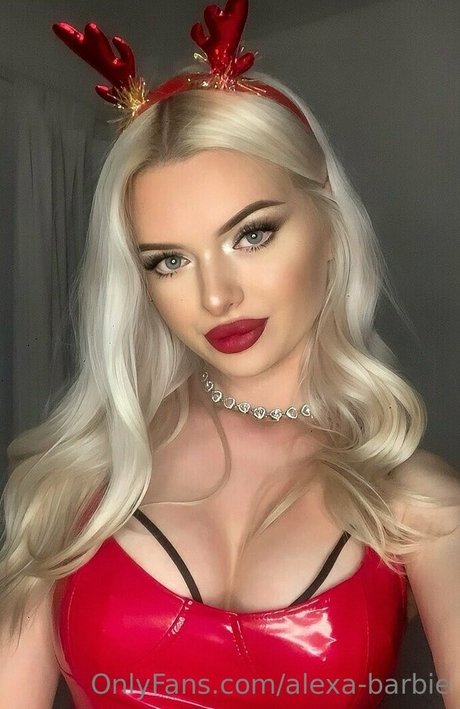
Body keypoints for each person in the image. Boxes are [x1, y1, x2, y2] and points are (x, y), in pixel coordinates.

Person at [1, 1, 459, 707]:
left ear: (330, 226)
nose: (217, 296)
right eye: (170, 261)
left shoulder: (417, 504)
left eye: (252, 235)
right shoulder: (78, 479)